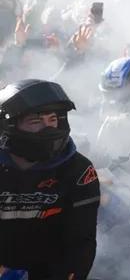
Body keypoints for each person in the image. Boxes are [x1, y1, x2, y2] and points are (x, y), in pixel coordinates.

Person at [0, 79, 100, 280]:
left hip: (49, 269)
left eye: (52, 119)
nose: (49, 129)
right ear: (9, 125)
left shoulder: (79, 170)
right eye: (36, 122)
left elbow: (81, 242)